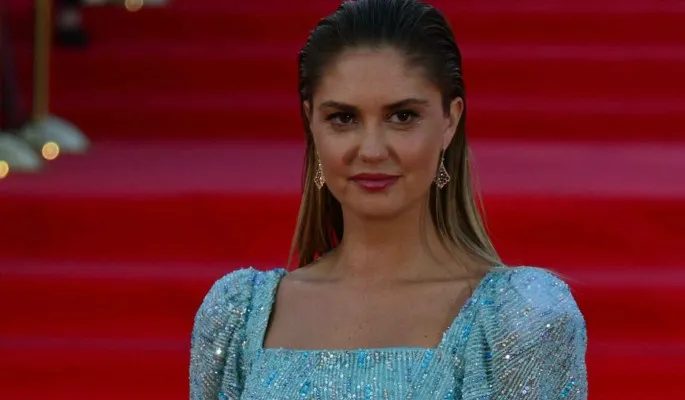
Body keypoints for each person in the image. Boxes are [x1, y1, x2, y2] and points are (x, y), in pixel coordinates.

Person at [189, 0, 588, 398]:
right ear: (311, 122)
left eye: (402, 116)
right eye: (343, 118)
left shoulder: (522, 320)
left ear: (450, 120)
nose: (372, 150)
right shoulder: (236, 318)